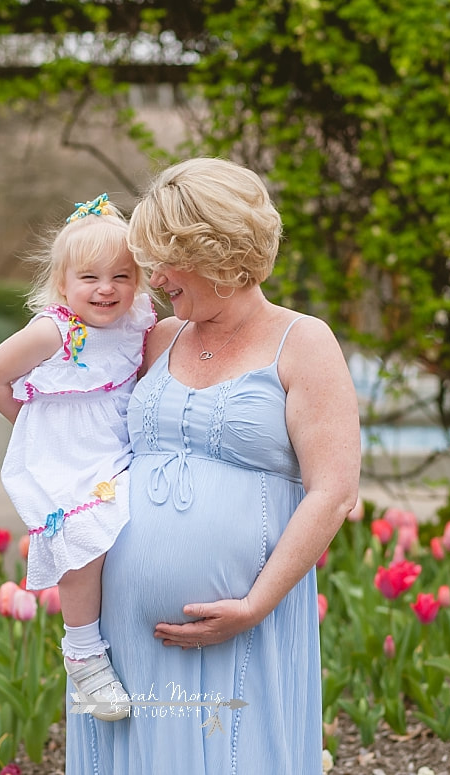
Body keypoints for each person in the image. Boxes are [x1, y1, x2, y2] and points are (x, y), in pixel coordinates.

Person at [65, 159, 363, 773]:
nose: (151, 276)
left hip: (245, 626)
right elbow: (68, 421)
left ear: (217, 251)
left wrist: (255, 604)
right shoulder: (154, 337)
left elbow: (332, 492)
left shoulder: (303, 342)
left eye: (165, 258)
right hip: (123, 630)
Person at [0, 193, 156, 722]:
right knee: (82, 546)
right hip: (67, 457)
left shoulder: (138, 320)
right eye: (90, 278)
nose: (107, 289)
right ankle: (82, 653)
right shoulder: (53, 331)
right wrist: (32, 431)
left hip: (119, 447)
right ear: (63, 283)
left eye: (122, 277)